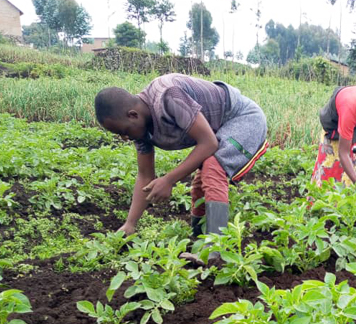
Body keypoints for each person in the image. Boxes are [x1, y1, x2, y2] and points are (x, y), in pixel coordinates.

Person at [94, 73, 268, 242]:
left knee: (212, 167)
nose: (125, 138)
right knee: (202, 180)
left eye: (124, 132)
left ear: (133, 115)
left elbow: (208, 143)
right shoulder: (140, 131)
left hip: (243, 117)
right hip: (217, 129)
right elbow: (145, 176)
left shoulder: (169, 96)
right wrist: (130, 224)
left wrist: (169, 180)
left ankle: (216, 247)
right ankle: (198, 236)